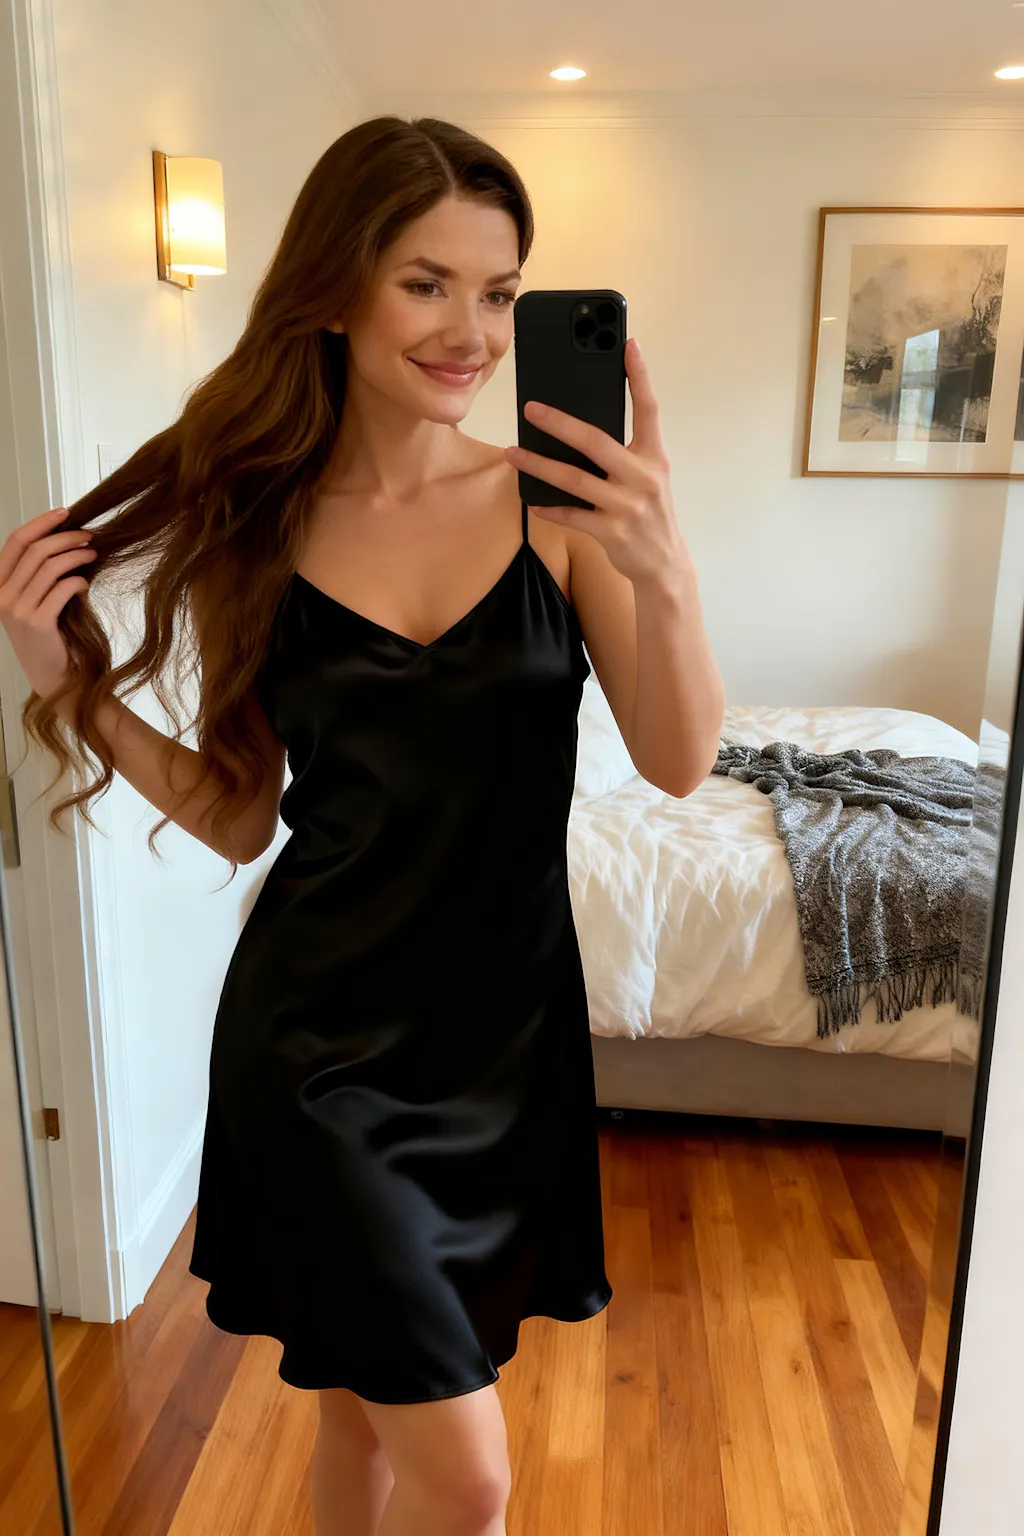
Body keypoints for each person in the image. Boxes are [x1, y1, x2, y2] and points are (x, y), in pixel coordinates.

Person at [0, 117, 724, 1536]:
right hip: (321, 1051)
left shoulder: (556, 510)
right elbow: (236, 817)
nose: (474, 332)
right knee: (469, 1478)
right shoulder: (260, 531)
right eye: (426, 283)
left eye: (500, 292)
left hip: (506, 1043)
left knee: (361, 1411)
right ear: (336, 289)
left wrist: (668, 566)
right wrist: (71, 691)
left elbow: (680, 758)